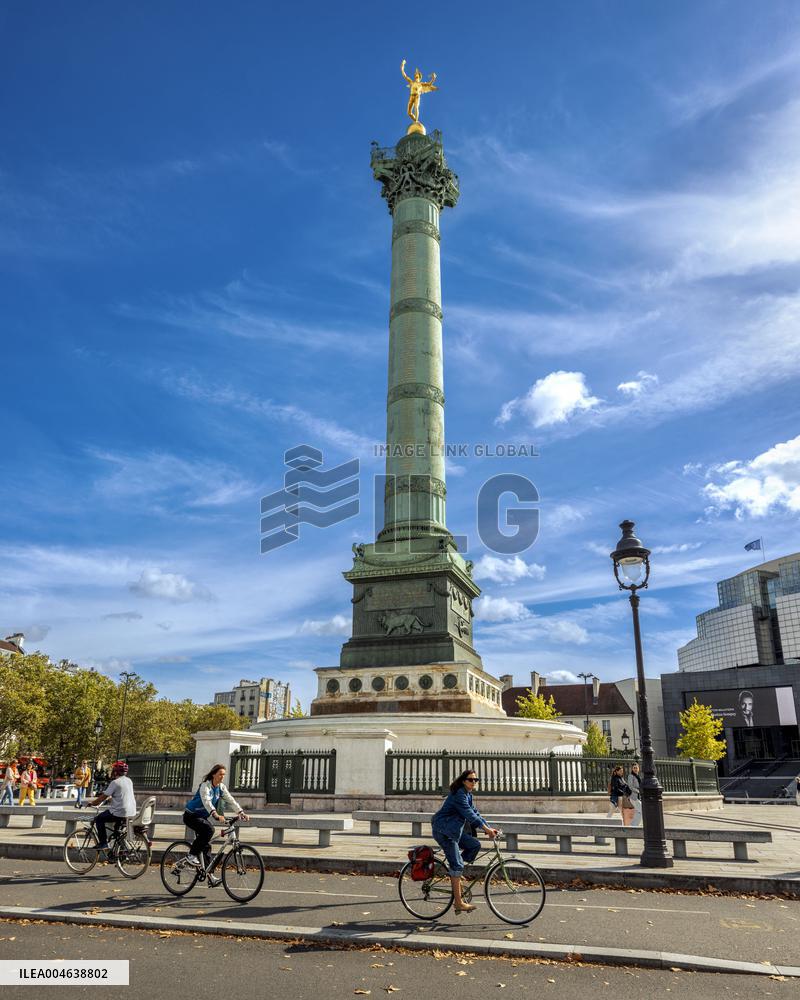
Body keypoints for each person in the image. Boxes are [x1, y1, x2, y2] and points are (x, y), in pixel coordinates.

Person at [431, 769, 499, 914]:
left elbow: (476, 813)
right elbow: (468, 813)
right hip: (444, 830)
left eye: (476, 780)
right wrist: (485, 830)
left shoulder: (468, 795)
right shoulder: (458, 795)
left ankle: (456, 872)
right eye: (470, 779)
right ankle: (458, 903)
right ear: (463, 781)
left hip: (455, 830)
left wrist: (488, 827)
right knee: (457, 865)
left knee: (475, 845)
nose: (473, 782)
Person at [183, 764, 248, 885]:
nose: (222, 777)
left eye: (224, 775)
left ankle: (210, 876)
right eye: (220, 774)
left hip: (201, 817)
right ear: (214, 774)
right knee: (209, 830)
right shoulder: (205, 786)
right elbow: (207, 801)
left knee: (206, 846)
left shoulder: (221, 788)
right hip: (191, 815)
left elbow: (231, 800)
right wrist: (215, 814)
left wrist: (240, 812)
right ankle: (191, 855)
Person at [86, 760, 137, 851]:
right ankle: (121, 852)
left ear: (115, 771)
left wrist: (92, 803)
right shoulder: (129, 781)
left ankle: (103, 843)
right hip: (131, 812)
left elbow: (102, 797)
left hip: (119, 812)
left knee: (99, 819)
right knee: (117, 832)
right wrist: (112, 798)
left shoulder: (115, 782)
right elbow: (122, 794)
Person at [627, 763, 642, 827]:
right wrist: (637, 791)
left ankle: (632, 825)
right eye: (634, 768)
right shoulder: (631, 776)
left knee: (637, 811)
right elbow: (630, 786)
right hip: (633, 796)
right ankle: (635, 825)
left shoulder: (638, 776)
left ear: (639, 769)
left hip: (638, 796)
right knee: (640, 810)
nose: (635, 769)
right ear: (632, 769)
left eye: (636, 768)